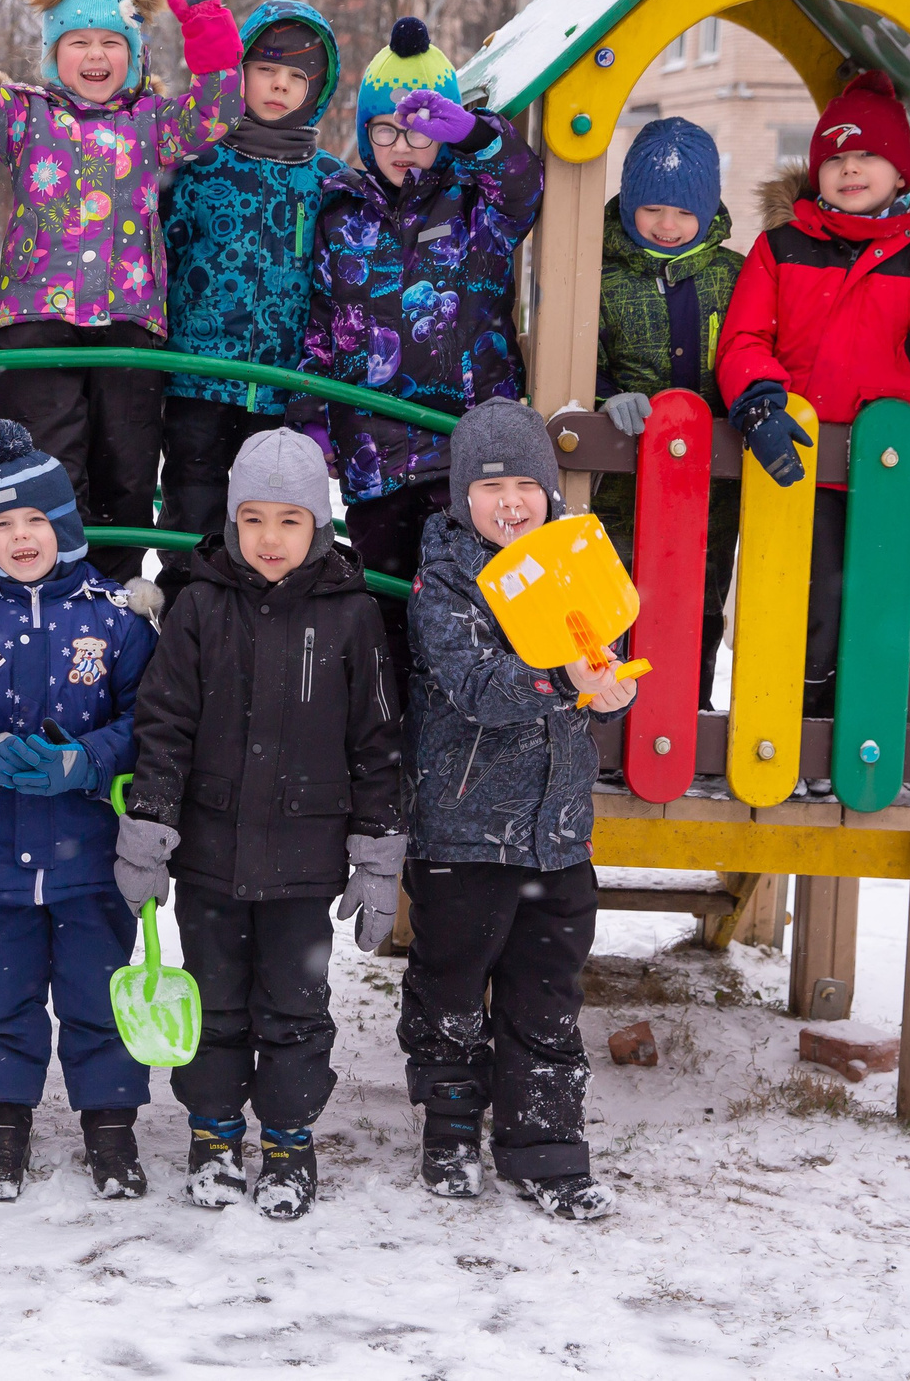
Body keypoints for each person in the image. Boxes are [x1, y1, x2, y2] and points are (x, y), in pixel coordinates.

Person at [120, 428, 402, 1220]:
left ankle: (286, 1138)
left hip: (305, 861)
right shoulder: (200, 604)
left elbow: (377, 740)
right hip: (210, 855)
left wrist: (378, 858)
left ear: (318, 522)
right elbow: (165, 723)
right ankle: (212, 1133)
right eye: (253, 519)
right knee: (212, 1004)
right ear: (232, 522)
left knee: (294, 1007)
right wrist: (149, 823)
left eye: (288, 520)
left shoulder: (351, 614)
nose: (269, 538)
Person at [0, 0, 243, 582]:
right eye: (78, 41)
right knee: (45, 475)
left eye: (111, 41)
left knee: (125, 474)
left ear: (134, 51)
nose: (96, 56)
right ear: (53, 51)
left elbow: (218, 107)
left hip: (129, 325)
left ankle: (118, 598)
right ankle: (38, 596)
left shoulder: (154, 123)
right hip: (37, 322)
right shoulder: (26, 114)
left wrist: (205, 24)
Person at [0, 419, 162, 1200]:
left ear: (66, 525)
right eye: (3, 525)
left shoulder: (116, 620)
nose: (21, 538)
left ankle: (111, 1134)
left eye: (35, 521)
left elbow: (147, 719)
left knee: (99, 994)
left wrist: (87, 761)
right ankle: (2, 1132)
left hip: (94, 857)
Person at [715, 72, 910, 729]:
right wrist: (760, 402)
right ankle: (787, 732)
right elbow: (743, 339)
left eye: (867, 156)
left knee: (874, 615)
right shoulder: (782, 247)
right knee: (796, 609)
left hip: (886, 476)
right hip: (794, 464)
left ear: (900, 172)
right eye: (836, 158)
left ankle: (858, 740)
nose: (850, 169)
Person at [401, 399, 632, 1223]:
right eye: (490, 485)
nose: (509, 502)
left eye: (525, 486)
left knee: (546, 992)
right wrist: (563, 680)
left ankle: (548, 1148)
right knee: (453, 983)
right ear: (463, 496)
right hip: (466, 832)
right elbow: (474, 688)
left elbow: (594, 671)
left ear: (549, 493)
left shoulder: (577, 568)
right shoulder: (447, 581)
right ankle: (452, 1127)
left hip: (556, 833)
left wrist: (606, 691)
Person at [292, 17, 543, 682]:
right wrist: (310, 416)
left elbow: (524, 189)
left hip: (463, 456)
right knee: (388, 616)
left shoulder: (472, 206)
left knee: (465, 618)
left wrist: (475, 136)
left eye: (422, 132)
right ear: (365, 131)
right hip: (375, 455)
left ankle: (458, 752)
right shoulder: (340, 210)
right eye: (387, 130)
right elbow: (322, 321)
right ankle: (392, 753)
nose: (404, 147)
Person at [157, 1, 347, 606]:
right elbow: (166, 250)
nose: (280, 86)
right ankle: (187, 621)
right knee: (193, 508)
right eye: (266, 69)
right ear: (239, 72)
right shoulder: (201, 165)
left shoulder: (328, 180)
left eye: (297, 78)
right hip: (199, 381)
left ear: (316, 92)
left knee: (271, 523)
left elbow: (337, 284)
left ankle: (259, 632)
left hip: (281, 390)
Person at [593, 115, 743, 705]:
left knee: (698, 599)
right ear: (630, 203)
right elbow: (578, 354)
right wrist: (607, 395)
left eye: (684, 213)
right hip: (620, 484)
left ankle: (690, 707)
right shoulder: (602, 278)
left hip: (710, 485)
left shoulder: (733, 277)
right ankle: (609, 716)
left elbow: (748, 349)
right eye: (654, 209)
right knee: (619, 597)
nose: (668, 225)